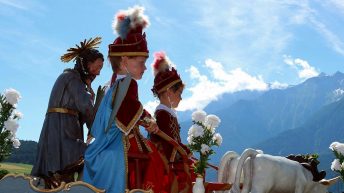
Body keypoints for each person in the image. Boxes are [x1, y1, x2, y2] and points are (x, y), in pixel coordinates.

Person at [83, 6, 165, 193]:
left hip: (107, 139)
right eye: (141, 62)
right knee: (155, 158)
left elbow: (126, 109)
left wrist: (145, 119)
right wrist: (149, 122)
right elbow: (129, 109)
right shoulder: (128, 83)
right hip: (117, 140)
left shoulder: (113, 85)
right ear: (125, 60)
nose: (145, 68)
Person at [31, 37, 104, 188]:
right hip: (61, 133)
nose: (97, 73)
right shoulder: (72, 78)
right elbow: (87, 108)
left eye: (100, 69)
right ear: (85, 65)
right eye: (96, 67)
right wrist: (100, 130)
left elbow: (84, 113)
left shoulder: (71, 78)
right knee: (91, 153)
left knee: (67, 171)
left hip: (64, 130)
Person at [149, 51, 194, 193]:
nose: (180, 98)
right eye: (179, 94)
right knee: (193, 172)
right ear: (169, 93)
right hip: (167, 158)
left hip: (174, 154)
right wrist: (185, 151)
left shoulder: (168, 113)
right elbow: (168, 141)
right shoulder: (162, 114)